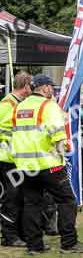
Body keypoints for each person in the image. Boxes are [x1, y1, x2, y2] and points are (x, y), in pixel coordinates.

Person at [13, 75, 83, 255]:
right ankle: (69, 243)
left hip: (26, 165)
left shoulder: (20, 107)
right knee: (66, 200)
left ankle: (34, 246)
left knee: (32, 204)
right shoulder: (48, 106)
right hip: (49, 163)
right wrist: (65, 149)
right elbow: (58, 136)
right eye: (51, 87)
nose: (53, 91)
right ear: (44, 88)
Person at [0, 72, 32, 247]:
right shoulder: (7, 104)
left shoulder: (18, 104)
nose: (31, 89)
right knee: (11, 198)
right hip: (6, 158)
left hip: (16, 159)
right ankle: (9, 236)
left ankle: (18, 232)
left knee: (18, 197)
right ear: (25, 86)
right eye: (30, 86)